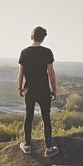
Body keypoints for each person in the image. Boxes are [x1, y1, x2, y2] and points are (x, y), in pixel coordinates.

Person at [18, 26, 59, 157]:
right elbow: (51, 73)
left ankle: (28, 146)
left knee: (28, 116)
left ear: (32, 36)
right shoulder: (47, 52)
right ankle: (49, 148)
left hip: (29, 90)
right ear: (43, 38)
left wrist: (20, 88)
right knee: (46, 118)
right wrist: (54, 90)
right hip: (44, 91)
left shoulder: (24, 52)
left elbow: (21, 72)